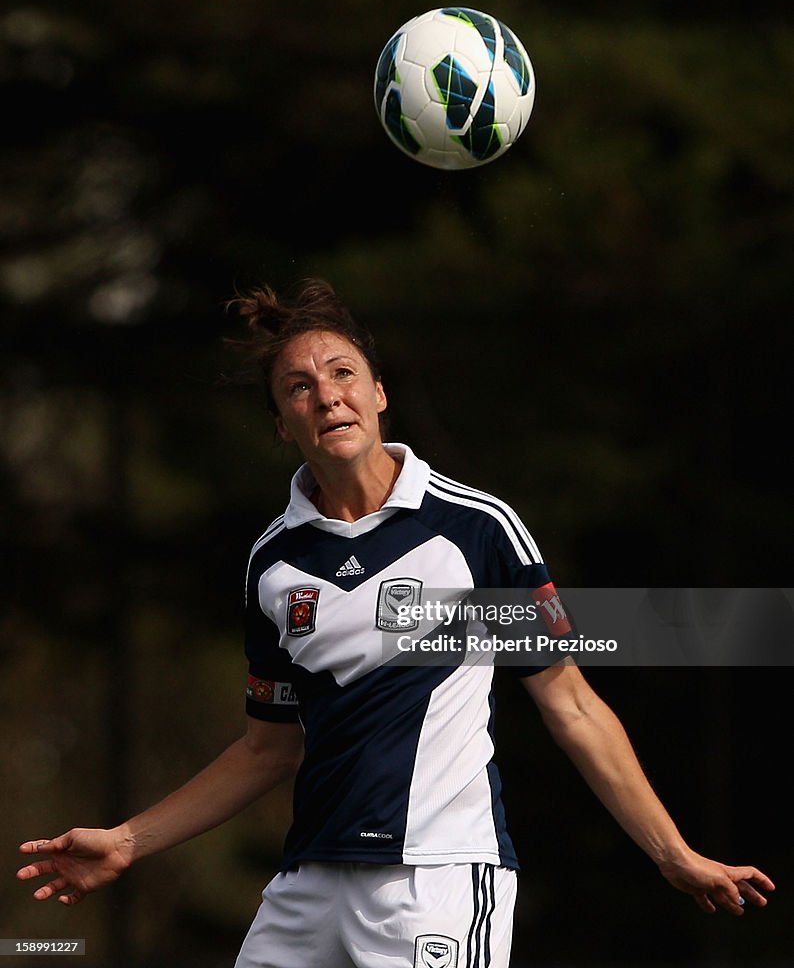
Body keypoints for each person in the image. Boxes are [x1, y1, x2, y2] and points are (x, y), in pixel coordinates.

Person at [18, 279, 774, 968]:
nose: (327, 396)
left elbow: (570, 703)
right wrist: (126, 840)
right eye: (299, 387)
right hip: (308, 884)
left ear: (380, 394)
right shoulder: (273, 564)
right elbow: (265, 749)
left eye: (343, 374)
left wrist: (672, 853)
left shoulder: (476, 531)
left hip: (438, 878)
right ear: (282, 422)